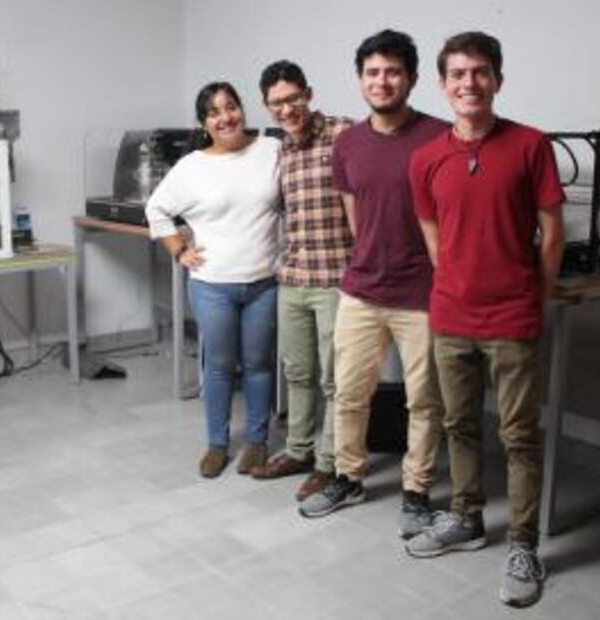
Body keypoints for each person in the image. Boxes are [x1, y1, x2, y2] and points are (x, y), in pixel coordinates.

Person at [405, 31, 566, 608]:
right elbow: (434, 240)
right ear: (443, 84)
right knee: (459, 425)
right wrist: (460, 284)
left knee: (518, 435)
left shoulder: (531, 145)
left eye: (479, 72)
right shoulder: (426, 159)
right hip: (451, 316)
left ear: (497, 79)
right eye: (458, 74)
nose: (469, 83)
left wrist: (532, 294)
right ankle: (466, 518)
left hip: (512, 317)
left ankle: (523, 545)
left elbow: (553, 232)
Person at [297, 30, 448, 541]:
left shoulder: (440, 138)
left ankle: (416, 492)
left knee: (424, 402)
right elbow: (356, 220)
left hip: (423, 295)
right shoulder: (348, 144)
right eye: (372, 72)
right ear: (360, 79)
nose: (382, 81)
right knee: (348, 394)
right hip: (361, 291)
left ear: (412, 78)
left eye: (392, 72)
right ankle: (349, 478)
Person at [145, 82, 281, 479]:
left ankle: (257, 441)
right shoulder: (192, 167)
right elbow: (156, 210)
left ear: (242, 109)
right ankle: (217, 445)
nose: (225, 117)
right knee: (220, 366)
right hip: (212, 286)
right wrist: (179, 250)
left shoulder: (271, 150)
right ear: (203, 123)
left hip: (264, 281)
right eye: (214, 112)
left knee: (258, 364)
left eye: (231, 107)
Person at [249, 60, 353, 501]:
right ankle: (298, 451)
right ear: (267, 106)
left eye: (293, 98)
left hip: (336, 278)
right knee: (297, 371)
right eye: (276, 103)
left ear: (308, 94)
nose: (286, 109)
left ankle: (329, 464)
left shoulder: (345, 133)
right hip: (292, 277)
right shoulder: (280, 149)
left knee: (334, 379)